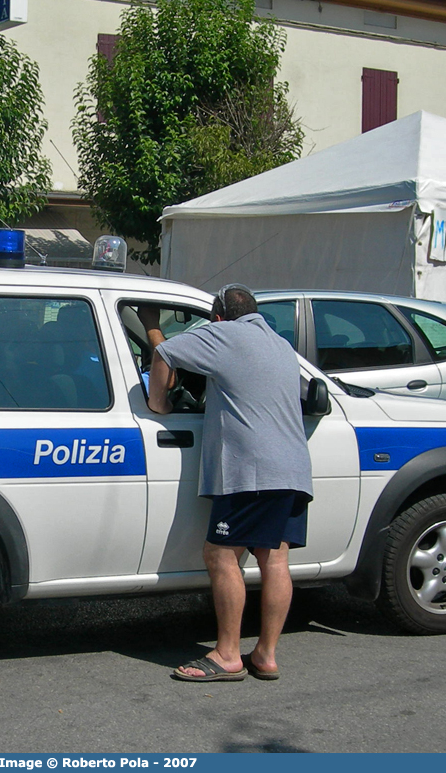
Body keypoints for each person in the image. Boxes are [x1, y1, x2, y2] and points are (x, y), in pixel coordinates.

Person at [140, 284, 313, 683]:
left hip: (250, 472)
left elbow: (165, 354)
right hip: (292, 468)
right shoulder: (279, 344)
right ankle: (266, 656)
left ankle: (227, 655)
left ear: (218, 317)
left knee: (220, 555)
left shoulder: (224, 335)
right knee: (276, 559)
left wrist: (159, 404)